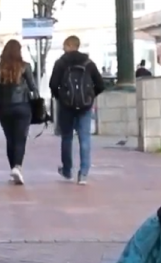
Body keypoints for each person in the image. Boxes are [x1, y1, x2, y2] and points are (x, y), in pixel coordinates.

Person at [49, 35, 105, 185]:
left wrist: (60, 97)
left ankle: (67, 171)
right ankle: (83, 174)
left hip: (66, 106)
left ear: (69, 45)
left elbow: (53, 84)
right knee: (84, 138)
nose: (63, 48)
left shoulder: (61, 63)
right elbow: (100, 84)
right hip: (85, 106)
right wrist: (89, 97)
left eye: (64, 45)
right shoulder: (88, 63)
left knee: (67, 137)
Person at [0, 39, 38, 185]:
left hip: (5, 109)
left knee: (10, 139)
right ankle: (17, 167)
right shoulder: (25, 67)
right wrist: (37, 104)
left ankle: (13, 170)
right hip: (23, 107)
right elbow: (34, 88)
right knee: (20, 138)